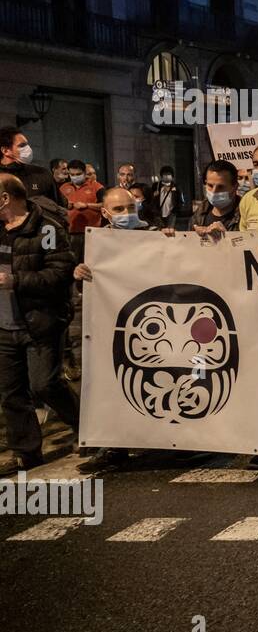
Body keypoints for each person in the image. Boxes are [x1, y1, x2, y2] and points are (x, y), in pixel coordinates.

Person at [71, 187, 160, 470]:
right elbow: (87, 282)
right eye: (119, 210)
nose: (126, 214)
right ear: (105, 213)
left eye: (131, 208)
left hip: (153, 322)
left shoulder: (156, 235)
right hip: (115, 322)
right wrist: (80, 274)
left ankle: (167, 440)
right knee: (112, 381)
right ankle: (113, 446)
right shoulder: (96, 242)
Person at [0, 174, 79, 475]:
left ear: (5, 198)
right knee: (11, 393)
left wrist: (17, 281)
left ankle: (83, 425)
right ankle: (27, 453)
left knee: (45, 384)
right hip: (5, 326)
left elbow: (61, 273)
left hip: (40, 322)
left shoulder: (46, 228)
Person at [175, 160, 241, 234]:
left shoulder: (246, 214)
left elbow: (251, 243)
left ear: (235, 187)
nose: (214, 191)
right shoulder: (198, 215)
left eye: (220, 187)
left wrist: (227, 238)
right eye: (210, 185)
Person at [0, 127, 62, 204]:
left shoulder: (42, 174)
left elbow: (59, 207)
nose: (28, 148)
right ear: (5, 151)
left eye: (27, 144)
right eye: (22, 145)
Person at [59, 158, 105, 261]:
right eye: (72, 174)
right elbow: (56, 207)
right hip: (69, 234)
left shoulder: (96, 187)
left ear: (84, 173)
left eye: (78, 174)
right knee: (72, 264)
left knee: (90, 263)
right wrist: (65, 206)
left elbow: (105, 205)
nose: (75, 177)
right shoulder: (63, 188)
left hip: (91, 233)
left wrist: (87, 205)